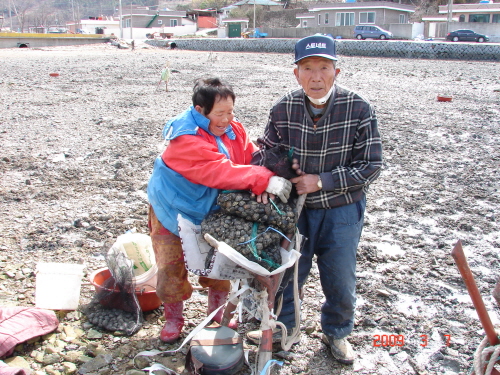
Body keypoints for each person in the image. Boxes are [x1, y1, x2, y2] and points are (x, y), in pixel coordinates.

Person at [248, 35, 383, 364]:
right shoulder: (284, 108)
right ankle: (285, 329)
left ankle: (337, 333)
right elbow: (264, 152)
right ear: (296, 73)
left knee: (340, 276)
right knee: (290, 273)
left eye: (324, 67)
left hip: (343, 211)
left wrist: (321, 180)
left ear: (337, 70)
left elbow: (371, 166)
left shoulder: (359, 108)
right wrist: (274, 172)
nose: (316, 76)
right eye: (307, 68)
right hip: (296, 212)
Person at [147, 77, 292, 343]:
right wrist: (261, 179)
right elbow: (217, 169)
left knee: (219, 262)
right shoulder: (185, 138)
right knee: (171, 264)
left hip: (211, 208)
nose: (226, 119)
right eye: (220, 113)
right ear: (200, 111)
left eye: (230, 112)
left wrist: (272, 169)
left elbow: (248, 155)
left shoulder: (233, 129)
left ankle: (216, 311)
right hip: (172, 207)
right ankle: (173, 318)